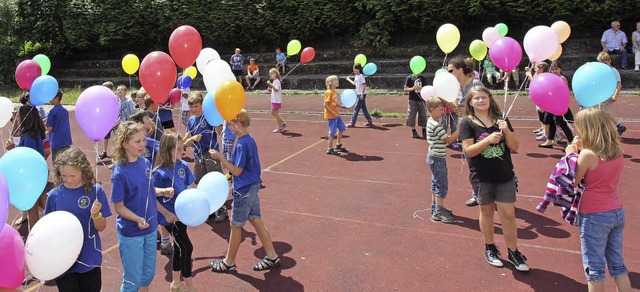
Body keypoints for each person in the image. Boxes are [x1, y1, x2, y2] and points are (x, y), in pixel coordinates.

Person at [459, 86, 528, 271]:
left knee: (508, 214)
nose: (481, 101)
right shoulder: (467, 123)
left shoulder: (501, 120)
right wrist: (488, 140)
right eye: (476, 98)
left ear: (490, 99)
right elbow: (469, 151)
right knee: (487, 212)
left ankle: (514, 252)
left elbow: (515, 146)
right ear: (470, 103)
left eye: (484, 97)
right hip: (482, 177)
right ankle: (490, 247)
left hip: (504, 174)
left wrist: (507, 132)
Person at [564, 108, 631, 292]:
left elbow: (573, 179)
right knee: (617, 264)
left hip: (594, 214)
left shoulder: (587, 155)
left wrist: (570, 152)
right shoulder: (617, 149)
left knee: (594, 268)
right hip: (616, 210)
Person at [209, 110, 281, 273]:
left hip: (244, 190)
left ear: (239, 123)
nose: (228, 127)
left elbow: (238, 171)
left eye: (230, 124)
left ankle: (229, 262)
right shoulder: (248, 139)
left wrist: (220, 158)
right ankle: (272, 255)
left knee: (235, 225)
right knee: (256, 220)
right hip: (252, 186)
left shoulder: (242, 144)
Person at [111, 121, 174, 292]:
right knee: (133, 280)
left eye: (143, 140)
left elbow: (148, 190)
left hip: (150, 228)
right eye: (137, 141)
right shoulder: (119, 173)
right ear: (125, 144)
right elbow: (119, 207)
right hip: (132, 232)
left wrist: (162, 191)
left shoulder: (145, 163)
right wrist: (137, 218)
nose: (142, 144)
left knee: (147, 275)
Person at [45, 147, 112, 292]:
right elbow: (48, 230)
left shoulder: (95, 191)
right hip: (63, 263)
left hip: (89, 259)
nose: (68, 180)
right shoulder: (53, 196)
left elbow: (101, 227)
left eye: (73, 176)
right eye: (64, 176)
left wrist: (96, 215)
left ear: (84, 171)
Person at [153, 132, 197, 292]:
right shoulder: (159, 172)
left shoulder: (182, 166)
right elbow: (152, 196)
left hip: (182, 215)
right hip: (170, 218)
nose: (182, 151)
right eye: (178, 148)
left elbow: (190, 187)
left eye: (182, 147)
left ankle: (176, 283)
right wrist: (166, 214)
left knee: (179, 247)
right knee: (187, 248)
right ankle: (189, 285)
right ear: (167, 149)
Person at [183, 91, 227, 222]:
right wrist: (190, 140)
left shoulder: (208, 117)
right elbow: (187, 139)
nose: (193, 109)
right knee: (202, 183)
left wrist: (218, 120)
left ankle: (222, 209)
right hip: (198, 155)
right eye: (191, 107)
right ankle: (210, 209)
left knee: (215, 182)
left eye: (196, 106)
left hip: (210, 154)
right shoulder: (191, 120)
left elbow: (219, 131)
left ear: (202, 106)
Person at [447, 57, 484, 207]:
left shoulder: (475, 85)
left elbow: (487, 106)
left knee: (482, 163)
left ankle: (488, 194)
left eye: (451, 71)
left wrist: (469, 111)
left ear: (460, 70)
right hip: (465, 131)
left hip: (479, 130)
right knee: (472, 165)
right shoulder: (457, 88)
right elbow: (454, 106)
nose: (448, 74)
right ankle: (477, 194)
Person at [425, 96, 459, 223]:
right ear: (432, 109)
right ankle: (438, 212)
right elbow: (448, 140)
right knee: (441, 184)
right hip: (437, 158)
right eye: (441, 109)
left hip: (434, 156)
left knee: (435, 182)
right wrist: (460, 130)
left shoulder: (431, 121)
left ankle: (435, 206)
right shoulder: (436, 126)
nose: (443, 111)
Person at [596, 52, 627, 135]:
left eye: (605, 63)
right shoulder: (600, 71)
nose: (604, 66)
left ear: (609, 61)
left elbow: (619, 84)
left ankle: (605, 130)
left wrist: (614, 96)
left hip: (610, 95)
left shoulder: (614, 71)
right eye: (602, 64)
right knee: (603, 112)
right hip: (602, 94)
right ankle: (619, 126)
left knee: (603, 112)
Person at [324, 75, 349, 155]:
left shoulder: (334, 92)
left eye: (337, 80)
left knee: (342, 128)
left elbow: (334, 103)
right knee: (332, 132)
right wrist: (333, 113)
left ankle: (338, 145)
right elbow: (326, 105)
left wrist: (341, 106)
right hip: (332, 116)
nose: (337, 81)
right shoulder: (328, 92)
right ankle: (330, 148)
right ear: (330, 83)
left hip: (336, 114)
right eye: (335, 80)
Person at [45, 89, 73, 162]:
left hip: (56, 142)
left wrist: (41, 124)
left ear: (57, 98)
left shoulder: (52, 112)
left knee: (57, 164)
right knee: (66, 162)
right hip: (65, 140)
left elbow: (49, 128)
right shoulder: (64, 110)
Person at [346, 63, 373, 128]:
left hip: (361, 94)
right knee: (364, 108)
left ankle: (352, 122)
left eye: (355, 68)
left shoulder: (361, 76)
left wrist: (362, 95)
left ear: (358, 69)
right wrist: (349, 79)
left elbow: (364, 85)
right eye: (353, 69)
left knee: (356, 108)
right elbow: (355, 84)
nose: (354, 70)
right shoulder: (356, 76)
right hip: (358, 93)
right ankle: (369, 120)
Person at [403, 70, 427, 139]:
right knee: (411, 115)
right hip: (412, 100)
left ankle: (424, 129)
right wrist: (413, 88)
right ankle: (413, 130)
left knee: (423, 115)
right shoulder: (409, 78)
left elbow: (426, 88)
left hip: (422, 100)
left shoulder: (423, 78)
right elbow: (405, 89)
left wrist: (421, 88)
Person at [266, 68, 287, 133]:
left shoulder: (277, 81)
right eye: (270, 74)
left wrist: (271, 84)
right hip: (274, 99)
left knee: (275, 113)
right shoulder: (275, 81)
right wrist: (270, 90)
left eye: (271, 74)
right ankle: (283, 123)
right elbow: (274, 90)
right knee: (273, 113)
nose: (270, 75)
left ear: (275, 74)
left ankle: (280, 127)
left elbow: (276, 90)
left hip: (276, 100)